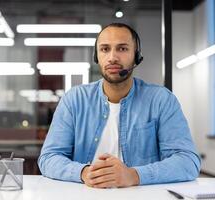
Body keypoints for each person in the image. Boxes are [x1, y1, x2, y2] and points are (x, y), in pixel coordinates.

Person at [38, 23, 201, 188]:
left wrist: (134, 175)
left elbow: (188, 162)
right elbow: (49, 158)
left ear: (136, 56)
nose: (112, 57)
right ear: (97, 56)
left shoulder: (161, 100)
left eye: (122, 49)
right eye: (105, 49)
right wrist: (84, 173)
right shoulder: (74, 99)